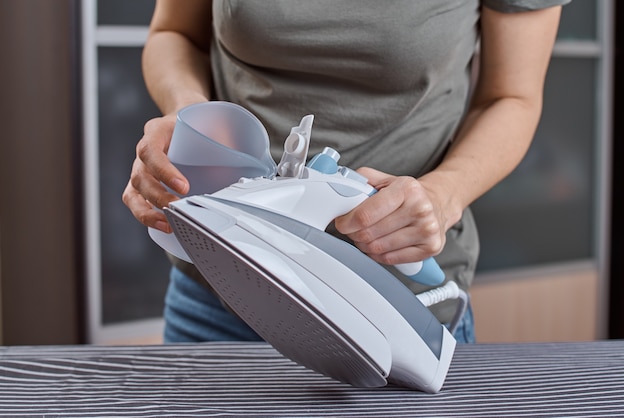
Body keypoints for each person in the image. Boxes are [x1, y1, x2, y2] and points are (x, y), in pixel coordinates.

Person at [122, 0, 568, 344]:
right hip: (221, 283)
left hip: (392, 311)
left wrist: (441, 196)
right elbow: (174, 32)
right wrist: (192, 123)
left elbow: (511, 96)